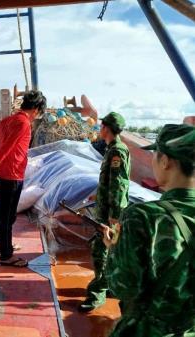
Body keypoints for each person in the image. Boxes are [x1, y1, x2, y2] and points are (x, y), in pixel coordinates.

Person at [103, 124, 195, 337]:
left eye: (155, 155)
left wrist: (114, 250)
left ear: (165, 161)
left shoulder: (142, 216)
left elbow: (123, 287)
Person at [0, 90, 46, 268]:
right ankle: (6, 255)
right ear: (35, 109)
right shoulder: (23, 123)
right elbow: (8, 147)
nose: (37, 116)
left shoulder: (6, 121)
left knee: (6, 213)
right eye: (38, 112)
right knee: (6, 215)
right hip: (13, 174)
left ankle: (6, 245)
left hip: (6, 173)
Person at [79, 111, 131, 312]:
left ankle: (96, 294)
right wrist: (97, 196)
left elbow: (119, 185)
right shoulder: (114, 149)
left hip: (110, 212)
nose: (99, 129)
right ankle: (109, 285)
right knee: (109, 250)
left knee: (101, 251)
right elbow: (110, 182)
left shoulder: (117, 151)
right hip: (107, 207)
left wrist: (114, 215)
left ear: (107, 128)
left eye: (101, 126)